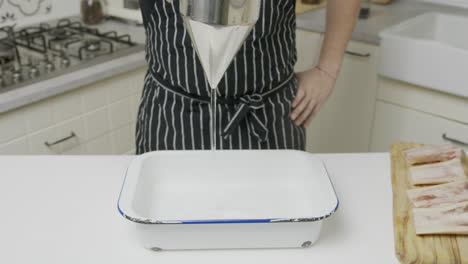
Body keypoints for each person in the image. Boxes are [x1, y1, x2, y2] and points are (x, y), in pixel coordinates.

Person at [136, 0, 360, 153]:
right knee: (173, 215)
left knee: (275, 217)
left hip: (268, 117)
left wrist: (327, 70)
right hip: (174, 117)